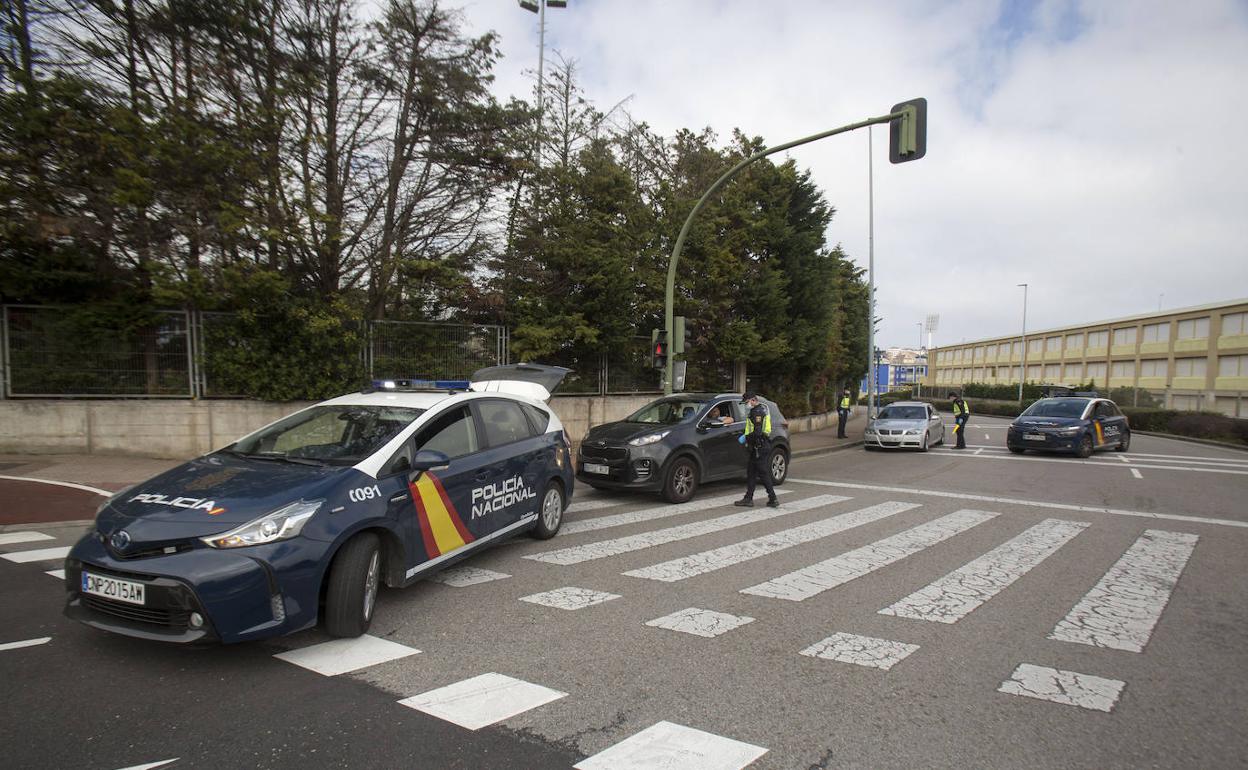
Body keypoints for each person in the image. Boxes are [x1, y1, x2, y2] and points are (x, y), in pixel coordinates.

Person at [735, 391, 779, 508]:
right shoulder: (758, 410)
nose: (746, 405)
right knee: (752, 472)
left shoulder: (757, 412)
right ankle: (748, 498)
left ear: (753, 400)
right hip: (758, 447)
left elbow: (758, 432)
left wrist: (745, 438)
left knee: (763, 473)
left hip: (760, 447)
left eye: (746, 402)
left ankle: (773, 498)